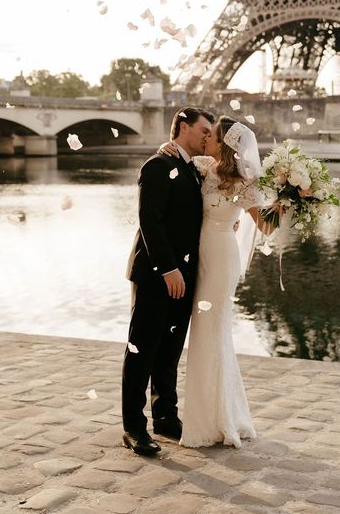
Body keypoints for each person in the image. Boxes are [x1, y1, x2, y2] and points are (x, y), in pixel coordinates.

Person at [160, 115, 277, 448]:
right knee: (203, 334)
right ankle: (209, 414)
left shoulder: (244, 182)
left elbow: (266, 226)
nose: (205, 138)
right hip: (199, 256)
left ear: (224, 143)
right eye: (205, 133)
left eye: (212, 135)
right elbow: (175, 156)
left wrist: (293, 198)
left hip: (222, 257)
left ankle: (217, 419)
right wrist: (165, 146)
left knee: (212, 332)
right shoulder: (201, 166)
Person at [121, 106, 214, 456]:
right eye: (204, 129)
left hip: (186, 274)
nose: (209, 135)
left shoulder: (194, 170)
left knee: (170, 350)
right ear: (184, 126)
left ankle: (165, 417)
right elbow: (150, 221)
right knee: (141, 350)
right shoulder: (157, 165)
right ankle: (133, 428)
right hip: (158, 273)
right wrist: (167, 269)